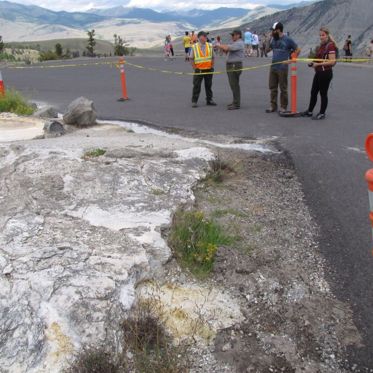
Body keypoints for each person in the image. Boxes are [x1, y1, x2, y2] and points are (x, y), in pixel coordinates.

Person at [301, 27, 337, 120]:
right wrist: (313, 63)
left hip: (326, 73)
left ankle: (322, 113)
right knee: (313, 92)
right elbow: (318, 58)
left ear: (327, 35)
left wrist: (318, 64)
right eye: (320, 35)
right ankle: (309, 111)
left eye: (323, 35)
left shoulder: (331, 45)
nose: (321, 37)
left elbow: (332, 62)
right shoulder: (321, 45)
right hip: (319, 72)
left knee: (323, 93)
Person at [266, 22, 300, 113]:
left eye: (273, 30)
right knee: (272, 87)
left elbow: (297, 49)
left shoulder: (288, 39)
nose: (272, 32)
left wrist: (292, 59)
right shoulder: (273, 39)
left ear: (278, 30)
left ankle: (283, 106)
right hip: (273, 66)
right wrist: (268, 39)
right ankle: (273, 106)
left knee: (283, 87)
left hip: (282, 67)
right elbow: (266, 51)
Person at [217, 29, 245, 110]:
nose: (232, 36)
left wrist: (219, 45)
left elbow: (228, 47)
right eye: (232, 35)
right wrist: (224, 49)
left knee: (234, 84)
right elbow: (228, 50)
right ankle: (235, 101)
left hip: (234, 65)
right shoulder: (236, 43)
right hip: (231, 65)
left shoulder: (239, 43)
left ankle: (236, 103)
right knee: (233, 84)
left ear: (238, 35)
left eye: (233, 35)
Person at [190, 31, 216, 108]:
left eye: (206, 36)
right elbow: (191, 59)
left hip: (209, 69)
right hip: (199, 70)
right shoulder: (194, 47)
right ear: (200, 37)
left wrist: (212, 66)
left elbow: (213, 57)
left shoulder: (210, 45)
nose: (206, 37)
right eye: (204, 36)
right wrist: (195, 68)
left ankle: (209, 100)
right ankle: (194, 101)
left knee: (209, 85)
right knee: (196, 86)